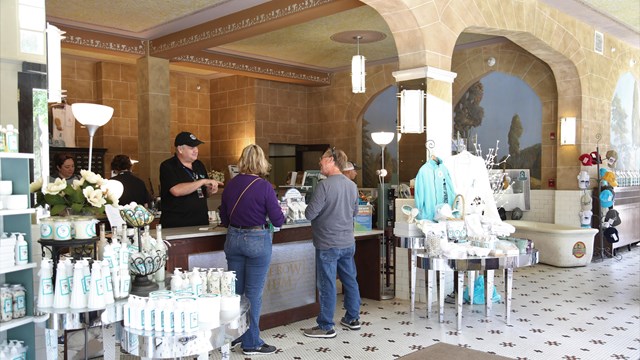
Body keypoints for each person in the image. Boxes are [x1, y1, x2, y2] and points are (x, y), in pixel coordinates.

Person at [219, 144, 285, 355]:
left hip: (233, 239)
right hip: (257, 239)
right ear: (261, 162)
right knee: (254, 294)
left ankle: (235, 336)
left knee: (236, 293)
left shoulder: (230, 185)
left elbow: (224, 217)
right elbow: (277, 219)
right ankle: (252, 343)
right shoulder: (264, 186)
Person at [303, 147, 361, 339]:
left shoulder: (324, 186)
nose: (320, 162)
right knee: (350, 280)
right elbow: (354, 213)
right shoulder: (352, 186)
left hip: (327, 243)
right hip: (347, 242)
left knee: (327, 284)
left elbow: (310, 214)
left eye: (322, 159)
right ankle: (352, 318)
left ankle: (326, 326)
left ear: (331, 160)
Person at [159, 132, 221, 228]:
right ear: (180, 149)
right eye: (192, 148)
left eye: (196, 147)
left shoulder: (199, 165)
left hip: (201, 222)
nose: (196, 150)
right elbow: (176, 190)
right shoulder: (168, 166)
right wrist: (202, 181)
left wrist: (210, 189)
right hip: (177, 224)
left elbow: (205, 194)